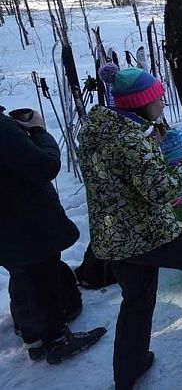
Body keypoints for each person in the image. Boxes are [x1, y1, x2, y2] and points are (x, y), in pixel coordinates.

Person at [78, 68, 182, 389]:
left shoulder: (94, 131)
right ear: (140, 103)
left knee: (136, 300)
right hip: (149, 233)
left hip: (113, 238)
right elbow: (160, 192)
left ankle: (129, 368)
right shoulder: (136, 140)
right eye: (157, 99)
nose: (163, 104)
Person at [1, 108, 106, 364]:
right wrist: (37, 131)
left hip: (7, 226)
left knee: (23, 274)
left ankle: (34, 339)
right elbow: (45, 165)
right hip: (25, 220)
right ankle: (58, 340)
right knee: (41, 276)